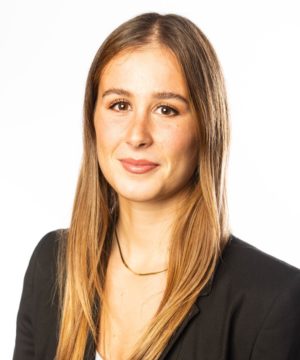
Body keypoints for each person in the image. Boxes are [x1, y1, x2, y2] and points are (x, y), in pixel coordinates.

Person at [13, 12, 300, 360]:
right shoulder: (53, 264)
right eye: (119, 105)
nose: (137, 135)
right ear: (92, 120)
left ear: (207, 127)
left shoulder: (274, 299)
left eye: (166, 110)